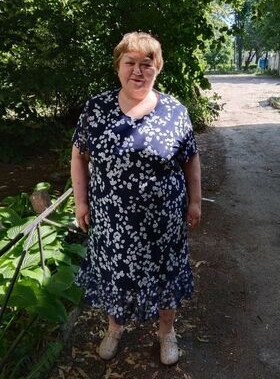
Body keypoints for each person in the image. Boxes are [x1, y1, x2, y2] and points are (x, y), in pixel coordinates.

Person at [71, 32, 201, 365]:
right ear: (118, 66)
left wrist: (195, 201)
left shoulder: (174, 111)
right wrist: (81, 202)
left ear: (158, 68)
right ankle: (115, 328)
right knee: (115, 273)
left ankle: (166, 331)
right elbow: (79, 155)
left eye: (147, 64)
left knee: (166, 275)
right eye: (130, 62)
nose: (138, 71)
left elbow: (190, 158)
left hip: (164, 223)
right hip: (112, 222)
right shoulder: (97, 109)